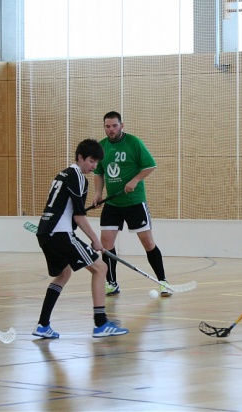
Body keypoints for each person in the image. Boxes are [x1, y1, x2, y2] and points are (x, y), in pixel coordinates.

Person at [32, 139, 129, 339]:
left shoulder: (63, 174)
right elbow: (78, 216)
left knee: (64, 274)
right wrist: (95, 239)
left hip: (46, 232)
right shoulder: (77, 176)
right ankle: (101, 324)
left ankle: (42, 325)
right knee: (101, 268)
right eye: (91, 161)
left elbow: (66, 208)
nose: (93, 166)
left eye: (96, 163)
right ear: (80, 157)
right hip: (60, 234)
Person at [93, 111, 172, 297]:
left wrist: (135, 180)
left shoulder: (134, 142)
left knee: (147, 242)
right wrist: (97, 193)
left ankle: (163, 281)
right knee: (106, 243)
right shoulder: (101, 147)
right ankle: (111, 283)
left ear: (122, 125)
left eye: (114, 125)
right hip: (112, 204)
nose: (111, 129)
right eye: (107, 126)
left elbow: (150, 165)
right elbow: (98, 172)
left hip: (134, 202)